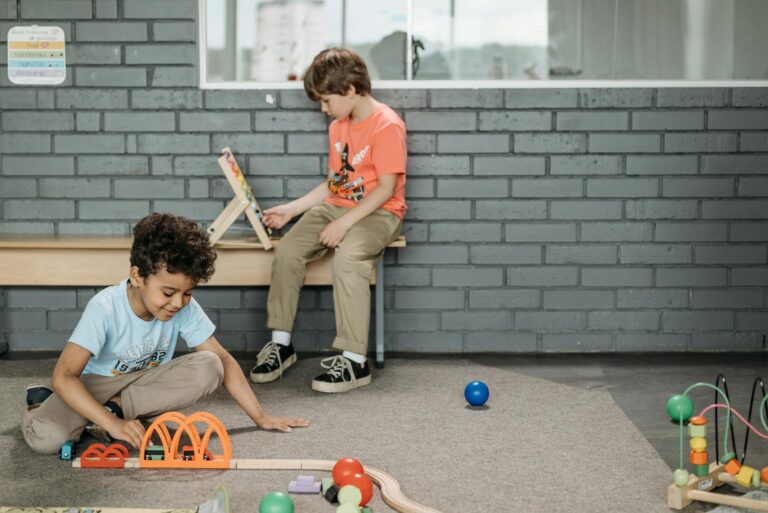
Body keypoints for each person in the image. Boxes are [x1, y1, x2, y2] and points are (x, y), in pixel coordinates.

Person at [22, 213, 308, 454]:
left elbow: (223, 360)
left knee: (211, 365)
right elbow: (64, 376)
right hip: (96, 385)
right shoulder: (105, 307)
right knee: (47, 439)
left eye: (187, 293)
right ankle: (43, 404)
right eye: (168, 292)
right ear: (137, 276)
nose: (178, 303)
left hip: (142, 385)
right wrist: (113, 425)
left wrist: (261, 417)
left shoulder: (183, 306)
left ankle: (114, 409)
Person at [249, 47, 407, 393]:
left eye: (325, 100)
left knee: (348, 259)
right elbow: (335, 184)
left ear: (349, 89)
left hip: (380, 212)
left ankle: (354, 361)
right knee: (287, 251)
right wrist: (291, 210)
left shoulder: (386, 124)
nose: (323, 109)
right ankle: (281, 344)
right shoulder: (338, 127)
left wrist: (345, 223)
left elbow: (385, 189)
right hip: (338, 207)